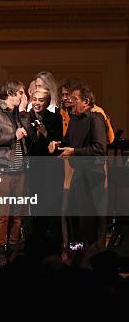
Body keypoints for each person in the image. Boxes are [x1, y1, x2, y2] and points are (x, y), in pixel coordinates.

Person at [50, 81, 107, 248]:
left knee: (88, 219)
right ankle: (76, 252)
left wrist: (74, 152)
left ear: (86, 102)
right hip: (79, 173)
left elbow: (99, 149)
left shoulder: (95, 119)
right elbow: (68, 142)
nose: (70, 102)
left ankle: (91, 253)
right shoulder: (74, 119)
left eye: (75, 99)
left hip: (93, 175)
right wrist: (56, 144)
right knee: (71, 214)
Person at [0, 81, 33, 257]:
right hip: (1, 167)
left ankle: (13, 247)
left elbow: (29, 135)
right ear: (10, 93)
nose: (23, 96)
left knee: (18, 213)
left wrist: (24, 112)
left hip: (19, 168)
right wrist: (13, 135)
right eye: (20, 93)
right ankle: (1, 249)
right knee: (3, 212)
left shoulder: (17, 113)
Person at [27, 88, 63, 250]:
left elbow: (57, 143)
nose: (37, 103)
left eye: (41, 100)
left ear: (47, 103)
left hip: (49, 169)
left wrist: (45, 132)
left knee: (49, 206)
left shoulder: (55, 118)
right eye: (34, 99)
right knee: (34, 206)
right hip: (31, 168)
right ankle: (34, 241)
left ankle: (51, 244)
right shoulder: (25, 118)